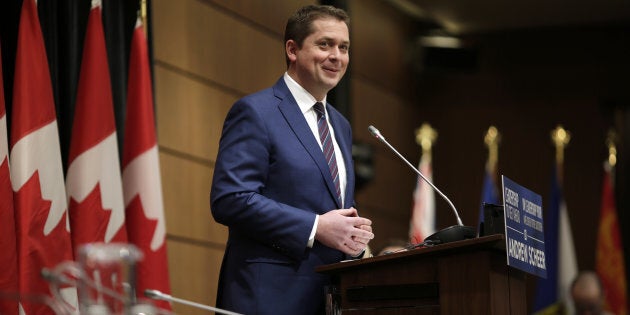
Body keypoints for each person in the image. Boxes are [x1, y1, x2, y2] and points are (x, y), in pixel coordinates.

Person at [210, 5, 374, 314]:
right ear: (292, 49)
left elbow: (328, 205)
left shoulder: (340, 125)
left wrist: (352, 234)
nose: (336, 56)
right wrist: (315, 227)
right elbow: (230, 198)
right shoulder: (256, 112)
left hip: (328, 297)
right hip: (268, 297)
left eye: (344, 47)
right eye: (324, 44)